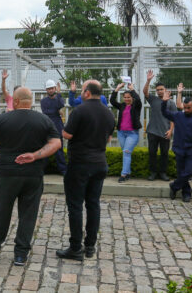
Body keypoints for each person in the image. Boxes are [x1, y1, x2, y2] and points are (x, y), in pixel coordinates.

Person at [0, 87, 61, 266]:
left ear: (15, 102)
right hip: (33, 174)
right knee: (28, 214)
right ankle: (21, 254)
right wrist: (35, 155)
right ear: (31, 101)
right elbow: (56, 142)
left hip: (7, 173)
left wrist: (1, 145)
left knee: (1, 211)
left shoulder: (2, 119)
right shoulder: (44, 120)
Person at [57, 80, 115, 261]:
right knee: (93, 204)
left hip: (80, 164)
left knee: (75, 206)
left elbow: (66, 135)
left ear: (87, 93)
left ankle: (75, 247)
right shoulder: (109, 113)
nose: (81, 93)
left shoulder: (79, 110)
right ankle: (90, 246)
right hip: (100, 163)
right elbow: (108, 139)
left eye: (82, 90)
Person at [160, 88, 192, 202]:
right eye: (184, 107)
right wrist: (164, 102)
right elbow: (165, 113)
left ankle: (174, 186)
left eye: (188, 108)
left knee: (188, 172)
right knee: (181, 173)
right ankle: (186, 193)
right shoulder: (178, 115)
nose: (186, 110)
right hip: (179, 149)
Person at [142, 70, 176, 181]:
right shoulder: (153, 100)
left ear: (165, 90)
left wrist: (171, 130)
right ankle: (152, 173)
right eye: (157, 90)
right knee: (152, 153)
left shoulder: (171, 103)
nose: (159, 91)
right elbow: (145, 92)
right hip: (152, 131)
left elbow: (173, 119)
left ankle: (163, 173)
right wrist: (148, 81)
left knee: (164, 154)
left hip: (165, 132)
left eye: (161, 89)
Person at [109, 82, 141, 182]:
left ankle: (123, 175)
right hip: (121, 133)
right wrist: (117, 88)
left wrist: (132, 89)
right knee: (126, 153)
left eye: (129, 97)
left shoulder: (136, 106)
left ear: (132, 98)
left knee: (126, 152)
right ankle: (128, 173)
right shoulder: (122, 106)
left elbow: (139, 99)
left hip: (132, 134)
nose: (127, 99)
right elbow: (112, 101)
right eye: (125, 97)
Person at [40, 79, 68, 176]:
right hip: (47, 126)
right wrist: (57, 111)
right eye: (49, 89)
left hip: (57, 126)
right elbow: (48, 111)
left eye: (52, 88)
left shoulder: (58, 98)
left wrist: (59, 94)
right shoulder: (43, 101)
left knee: (59, 149)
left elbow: (61, 105)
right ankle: (41, 170)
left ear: (55, 89)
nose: (50, 90)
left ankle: (63, 170)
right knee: (45, 148)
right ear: (46, 90)